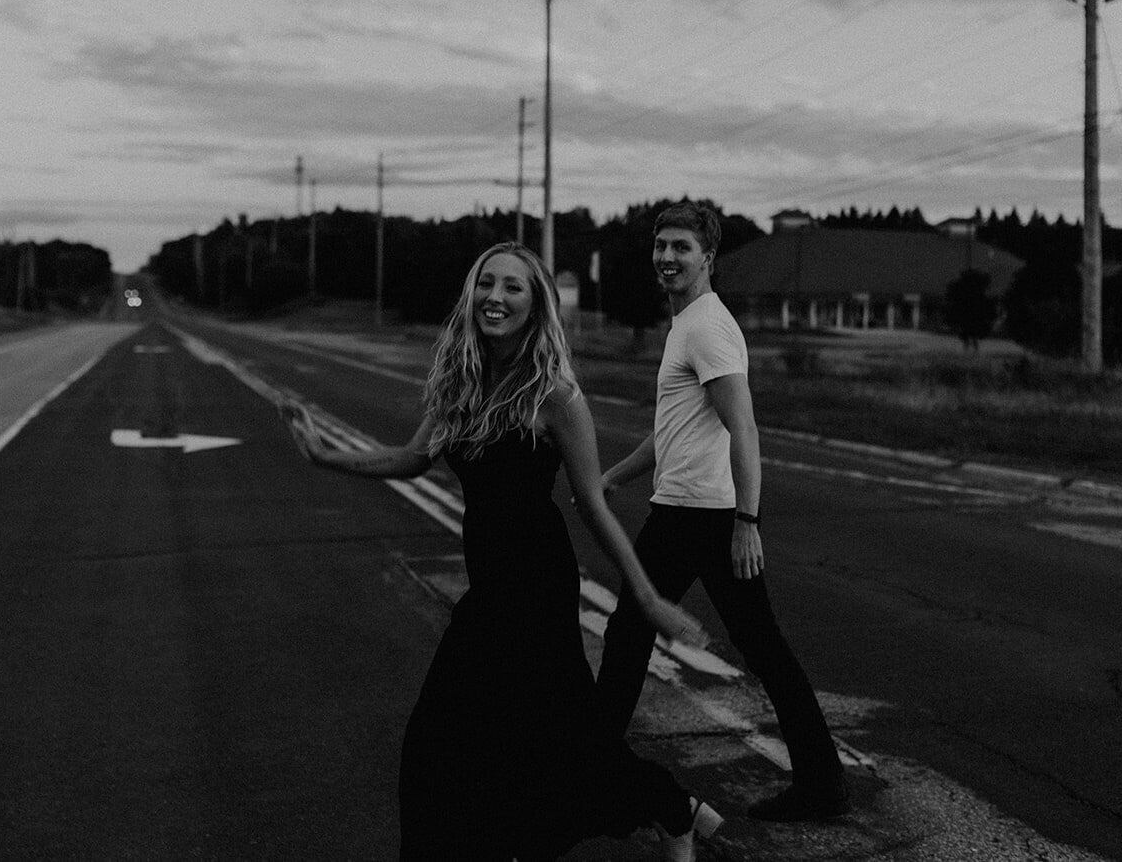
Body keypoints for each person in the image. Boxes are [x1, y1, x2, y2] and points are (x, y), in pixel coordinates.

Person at [283, 241, 722, 861]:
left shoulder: (555, 396)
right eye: (487, 283)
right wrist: (322, 455)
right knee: (536, 736)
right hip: (490, 586)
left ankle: (669, 810)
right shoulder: (461, 383)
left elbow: (593, 506)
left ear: (536, 305)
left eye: (513, 287)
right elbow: (410, 459)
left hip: (538, 588)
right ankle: (673, 807)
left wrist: (647, 600)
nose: (496, 297)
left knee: (488, 736)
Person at [594, 202, 851, 822]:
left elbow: (745, 428)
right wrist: (613, 476)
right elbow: (672, 430)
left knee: (631, 635)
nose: (667, 257)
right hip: (690, 510)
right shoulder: (688, 324)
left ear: (707, 257)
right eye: (661, 245)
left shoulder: (706, 327)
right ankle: (823, 783)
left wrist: (747, 523)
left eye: (681, 247)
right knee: (754, 647)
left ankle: (587, 766)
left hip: (699, 517)